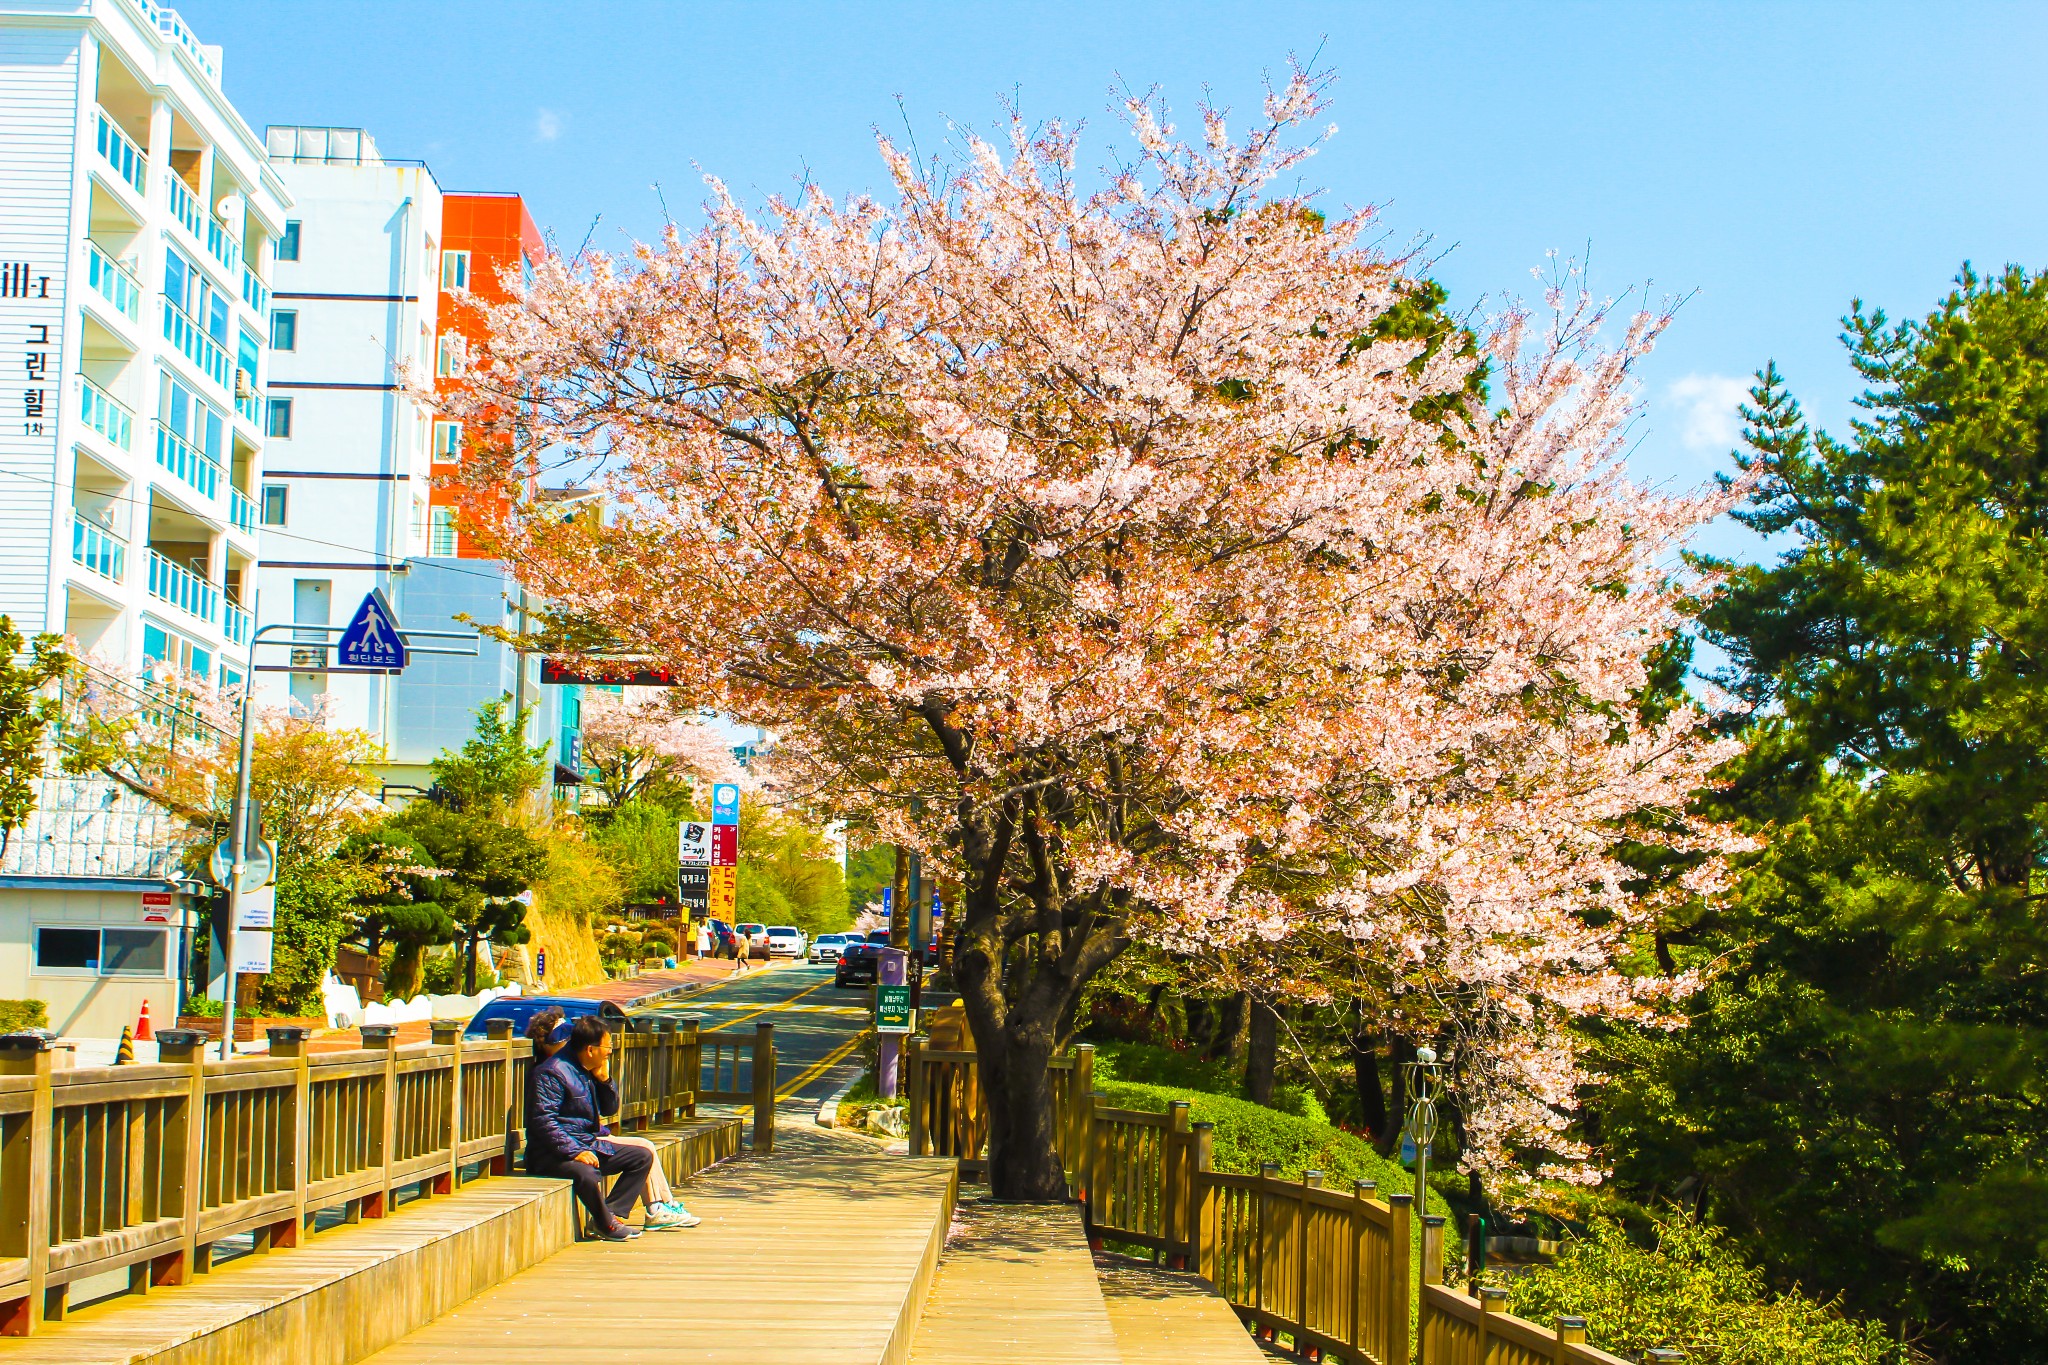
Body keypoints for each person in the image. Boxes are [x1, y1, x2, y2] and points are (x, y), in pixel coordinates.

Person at [526, 1009, 698, 1230]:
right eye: (607, 1047)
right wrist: (575, 1151)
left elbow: (609, 1108)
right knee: (640, 1149)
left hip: (585, 1139)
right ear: (589, 1049)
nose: (610, 1051)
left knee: (642, 1153)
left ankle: (616, 1215)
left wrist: (604, 1080)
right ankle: (652, 1209)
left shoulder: (582, 1068)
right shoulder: (552, 1072)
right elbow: (543, 1120)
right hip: (563, 1149)